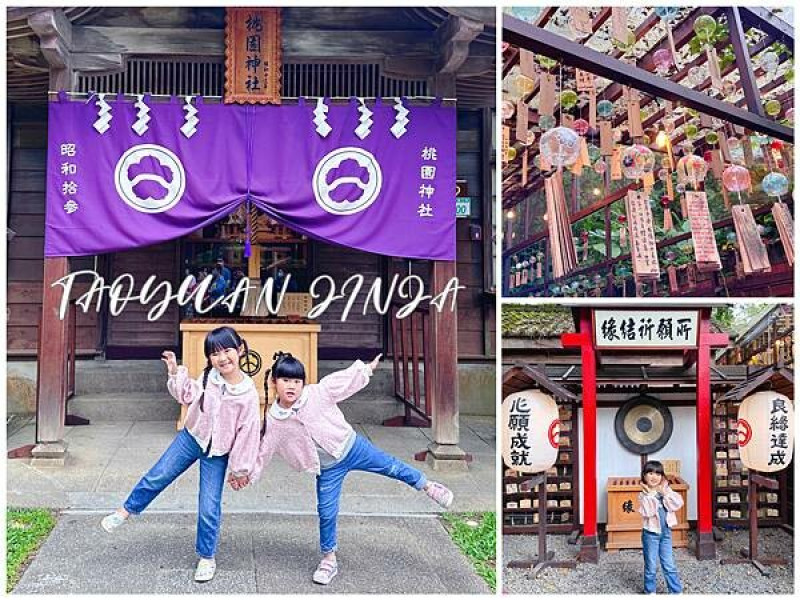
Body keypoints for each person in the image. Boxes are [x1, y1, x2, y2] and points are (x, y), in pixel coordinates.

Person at [232, 352, 454, 586]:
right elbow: (263, 452)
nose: (292, 386)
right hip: (328, 469)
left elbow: (343, 381)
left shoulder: (317, 394)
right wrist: (246, 475)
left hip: (353, 447)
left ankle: (428, 486)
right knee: (326, 512)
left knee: (391, 466)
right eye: (285, 380)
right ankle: (329, 559)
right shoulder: (275, 421)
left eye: (297, 381)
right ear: (273, 381)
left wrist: (366, 369)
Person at [100, 327, 261, 583]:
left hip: (217, 453)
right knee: (158, 475)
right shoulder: (209, 377)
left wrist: (240, 469)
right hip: (191, 438)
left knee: (209, 506)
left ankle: (207, 557)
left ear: (240, 350)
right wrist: (175, 372)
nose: (222, 358)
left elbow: (248, 434)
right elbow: (186, 395)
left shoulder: (248, 394)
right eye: (215, 353)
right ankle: (124, 511)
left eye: (227, 350)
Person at [638, 460, 684, 594]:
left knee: (669, 564)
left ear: (662, 476)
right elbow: (649, 512)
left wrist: (665, 493)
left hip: (666, 533)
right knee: (651, 565)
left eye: (658, 474)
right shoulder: (643, 494)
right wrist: (651, 494)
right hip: (650, 535)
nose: (654, 477)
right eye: (650, 473)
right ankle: (650, 591)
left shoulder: (666, 489)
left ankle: (676, 592)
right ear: (644, 475)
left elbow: (678, 503)